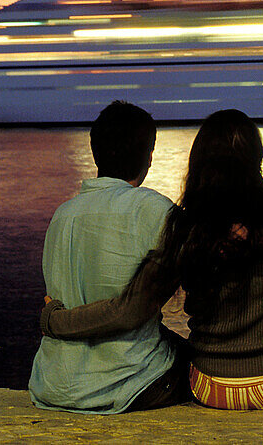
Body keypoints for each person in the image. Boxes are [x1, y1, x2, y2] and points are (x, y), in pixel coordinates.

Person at [40, 109, 263, 410]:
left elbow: (132, 307)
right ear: (257, 160)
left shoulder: (184, 230)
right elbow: (129, 312)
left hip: (208, 386)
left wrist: (54, 318)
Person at [29, 100, 188, 414]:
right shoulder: (156, 211)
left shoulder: (62, 217)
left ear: (95, 152)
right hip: (130, 385)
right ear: (149, 156)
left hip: (54, 385)